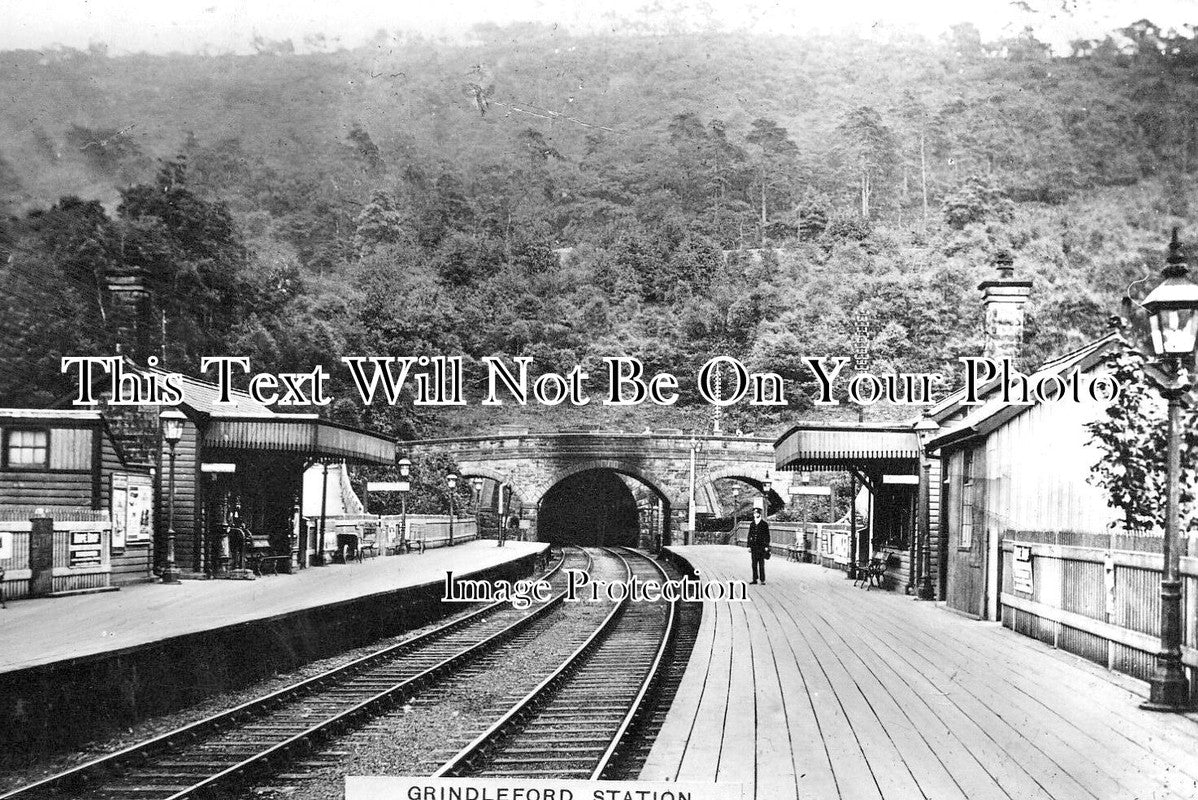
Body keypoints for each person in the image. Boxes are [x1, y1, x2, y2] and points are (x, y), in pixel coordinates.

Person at [747, 507, 770, 584]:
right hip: (754, 546)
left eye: (756, 513)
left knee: (761, 563)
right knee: (754, 564)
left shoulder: (764, 524)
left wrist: (766, 546)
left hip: (761, 546)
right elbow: (749, 535)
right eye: (754, 513)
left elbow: (767, 536)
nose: (755, 514)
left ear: (759, 514)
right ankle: (755, 579)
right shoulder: (752, 524)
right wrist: (749, 546)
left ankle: (762, 579)